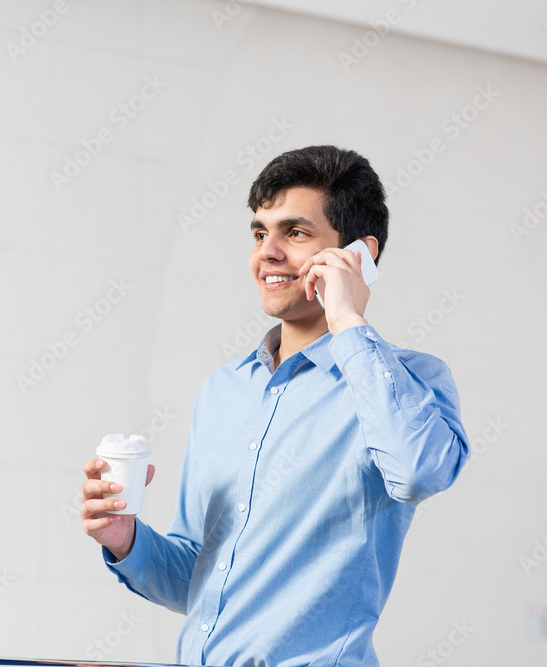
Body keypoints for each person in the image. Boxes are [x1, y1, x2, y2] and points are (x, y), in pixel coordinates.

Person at [80, 145, 469, 667]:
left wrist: (348, 320)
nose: (267, 251)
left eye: (296, 233)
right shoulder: (222, 391)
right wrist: (127, 540)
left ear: (360, 255)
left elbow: (421, 472)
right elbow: (199, 579)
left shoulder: (409, 381)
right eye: (261, 232)